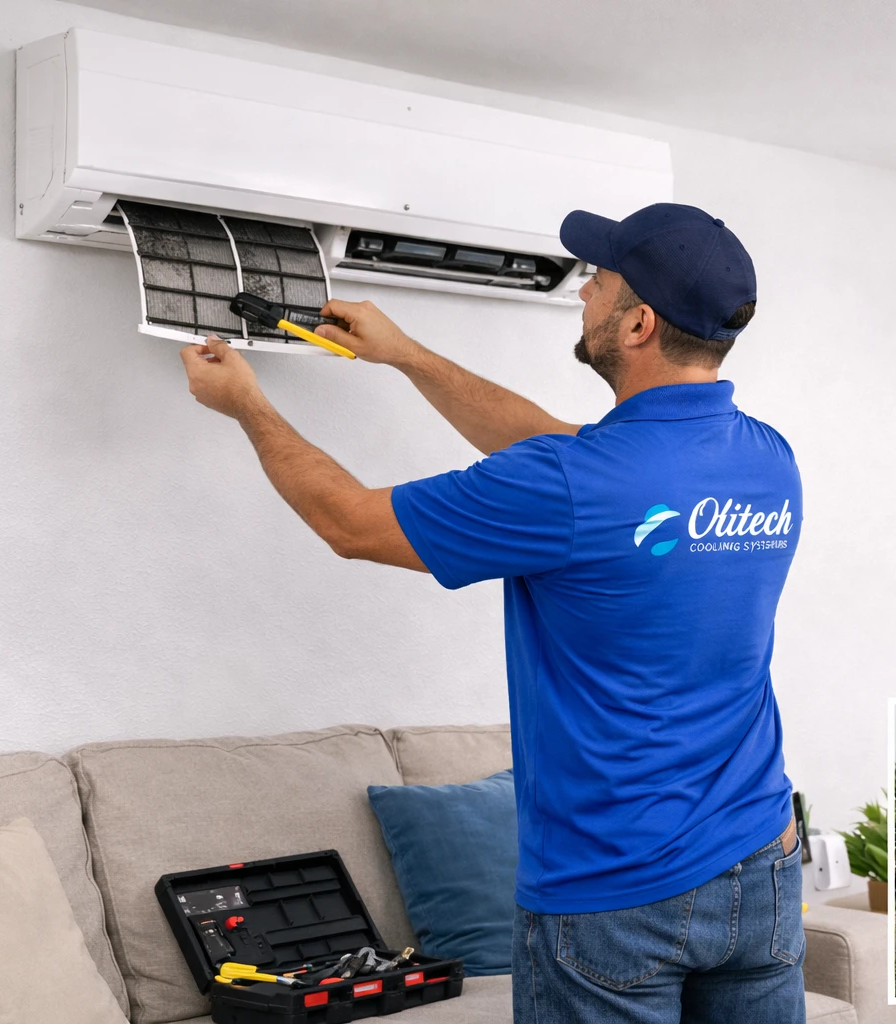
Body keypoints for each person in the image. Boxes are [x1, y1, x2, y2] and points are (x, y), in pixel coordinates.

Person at [179, 203, 807, 1023]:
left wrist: (247, 406)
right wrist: (405, 355)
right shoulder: (766, 459)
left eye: (600, 279)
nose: (584, 289)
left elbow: (350, 523)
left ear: (640, 323)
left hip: (613, 894)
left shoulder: (573, 482)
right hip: (760, 867)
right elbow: (551, 445)